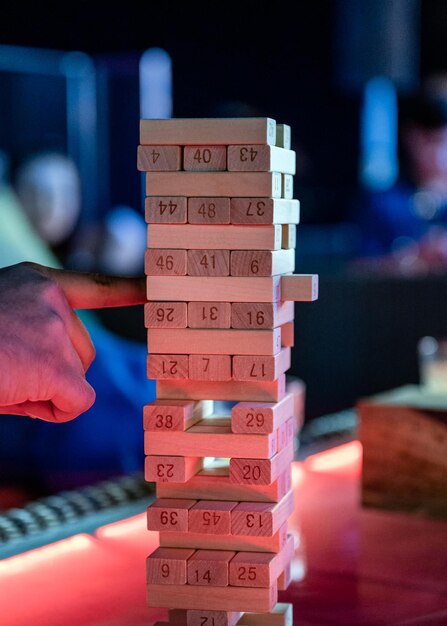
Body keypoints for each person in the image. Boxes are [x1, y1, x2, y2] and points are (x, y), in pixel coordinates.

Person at [351, 80, 447, 275]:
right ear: (411, 138)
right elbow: (358, 272)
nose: (440, 153)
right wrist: (415, 258)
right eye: (433, 141)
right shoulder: (383, 204)